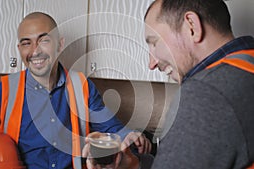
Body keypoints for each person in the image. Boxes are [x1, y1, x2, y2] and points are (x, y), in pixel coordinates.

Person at [0, 12, 152, 169]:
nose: (35, 51)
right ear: (19, 49)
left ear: (60, 44)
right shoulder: (1, 93)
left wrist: (129, 135)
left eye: (44, 40)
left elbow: (111, 128)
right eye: (26, 43)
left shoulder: (82, 87)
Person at [84, 0, 254, 168]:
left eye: (154, 42)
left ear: (192, 26)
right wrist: (134, 164)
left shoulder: (205, 93)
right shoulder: (247, 66)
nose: (151, 63)